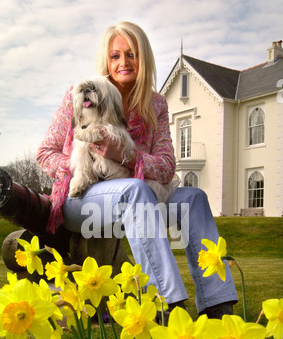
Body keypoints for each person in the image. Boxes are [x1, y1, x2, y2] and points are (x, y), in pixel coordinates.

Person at [36, 21, 238, 319]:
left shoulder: (155, 104)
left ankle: (218, 304)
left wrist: (129, 157)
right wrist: (83, 164)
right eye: (115, 55)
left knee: (193, 197)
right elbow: (44, 154)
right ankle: (165, 304)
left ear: (144, 59)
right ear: (106, 60)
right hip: (82, 200)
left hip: (138, 197)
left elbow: (168, 166)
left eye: (131, 54)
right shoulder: (79, 95)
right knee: (136, 189)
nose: (123, 62)